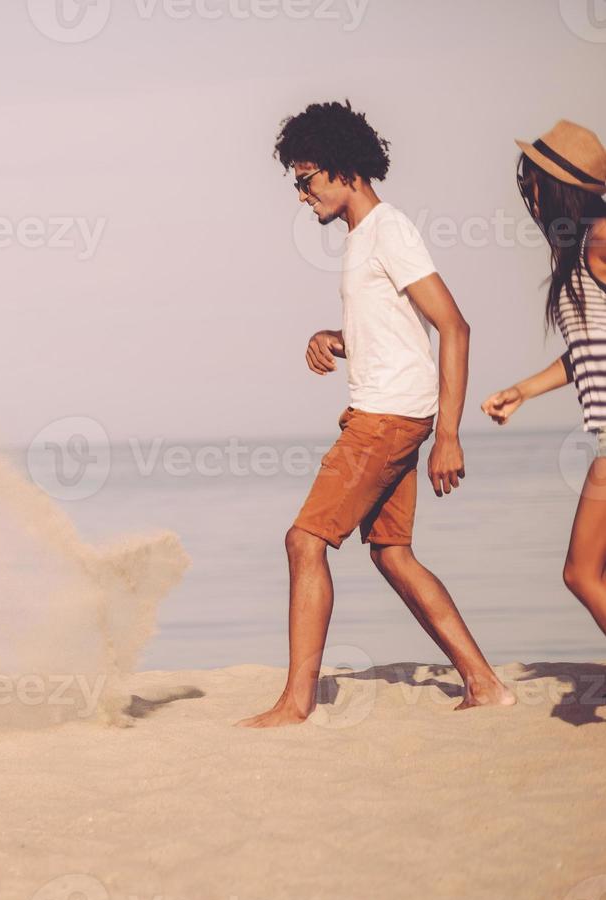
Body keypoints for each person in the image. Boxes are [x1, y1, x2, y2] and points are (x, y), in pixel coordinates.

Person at [239, 101, 514, 728]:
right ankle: (485, 684)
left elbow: (454, 326)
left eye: (306, 180)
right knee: (392, 553)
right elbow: (392, 328)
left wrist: (449, 435)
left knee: (304, 540)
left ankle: (295, 704)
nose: (302, 196)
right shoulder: (365, 239)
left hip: (386, 419)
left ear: (343, 169)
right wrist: (336, 336)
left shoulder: (388, 229)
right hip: (393, 410)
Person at [481, 120, 606, 633]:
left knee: (580, 573)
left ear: (559, 187)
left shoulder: (600, 239)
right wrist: (523, 391)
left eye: (532, 180)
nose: (527, 191)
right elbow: (589, 351)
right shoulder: (582, 248)